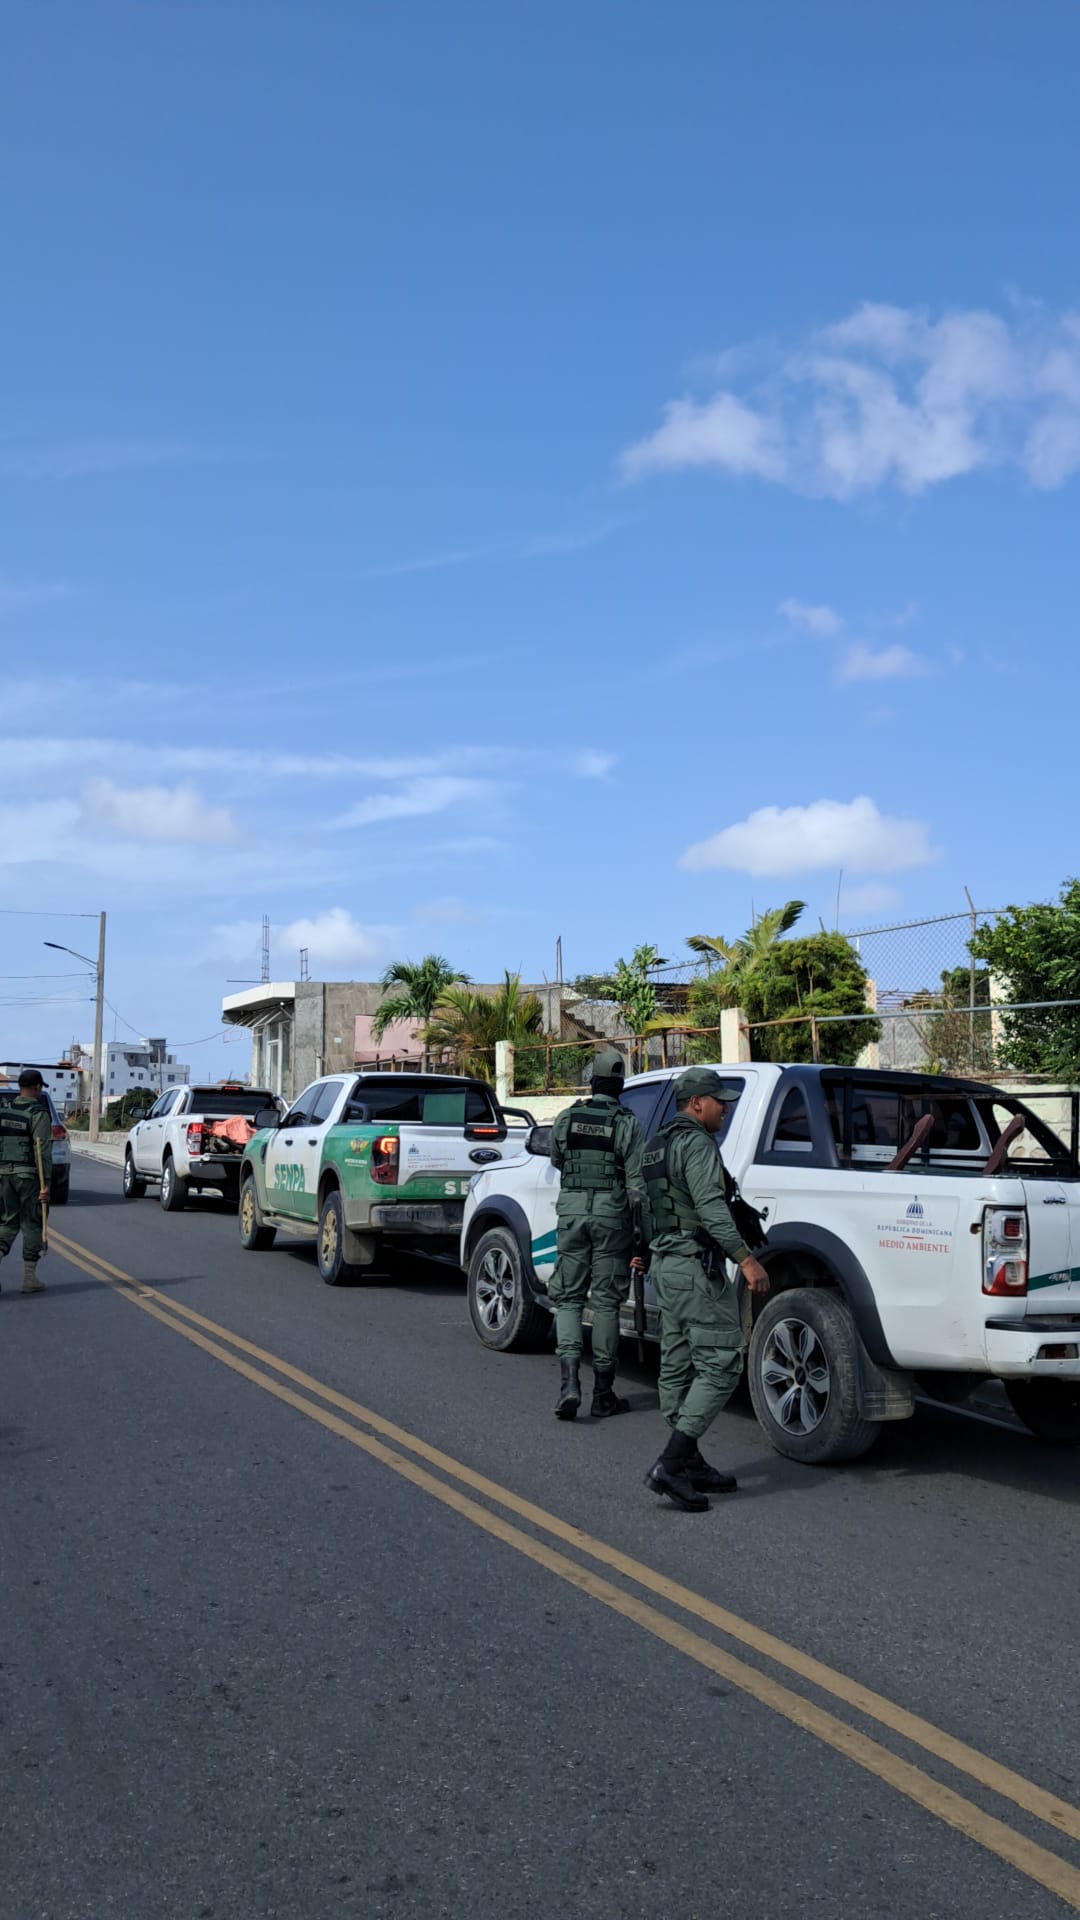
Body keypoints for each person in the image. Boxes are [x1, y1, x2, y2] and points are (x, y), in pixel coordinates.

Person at [641, 1067, 769, 1510]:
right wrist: (746, 1259)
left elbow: (643, 1205)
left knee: (677, 1365)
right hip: (694, 1267)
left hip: (667, 1266)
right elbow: (712, 1211)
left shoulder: (656, 1144)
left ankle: (689, 1460)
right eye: (718, 1100)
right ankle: (671, 1465)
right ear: (696, 1103)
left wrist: (645, 1252)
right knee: (723, 1362)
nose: (726, 1107)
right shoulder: (696, 1143)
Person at [547, 1047, 645, 1420]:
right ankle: (603, 1393)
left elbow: (557, 1159)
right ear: (619, 1085)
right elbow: (636, 1187)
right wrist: (642, 1234)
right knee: (605, 1302)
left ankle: (569, 1383)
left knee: (569, 1299)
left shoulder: (567, 1117)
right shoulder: (626, 1122)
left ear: (592, 1082)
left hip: (572, 1214)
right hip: (611, 1217)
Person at [0, 1068, 52, 1294]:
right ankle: (29, 1278)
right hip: (28, 1176)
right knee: (32, 1222)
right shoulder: (38, 1113)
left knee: (6, 1222)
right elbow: (42, 1149)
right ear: (37, 1087)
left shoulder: (5, 1111)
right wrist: (46, 1184)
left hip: (3, 1175)